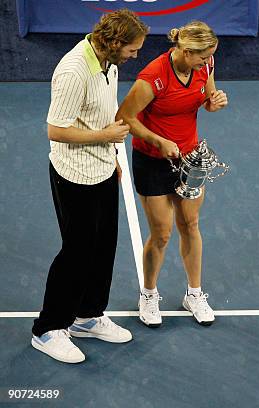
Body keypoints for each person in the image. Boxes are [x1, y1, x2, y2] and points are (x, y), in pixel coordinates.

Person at [31, 9, 149, 364]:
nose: (135, 55)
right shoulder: (73, 70)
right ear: (114, 43)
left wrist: (111, 155)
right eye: (133, 49)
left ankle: (87, 316)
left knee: (103, 248)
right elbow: (55, 129)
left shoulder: (109, 63)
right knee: (76, 253)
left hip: (100, 169)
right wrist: (104, 137)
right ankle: (48, 329)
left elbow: (99, 112)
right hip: (73, 176)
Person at [116, 21, 228, 328]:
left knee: (190, 224)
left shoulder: (206, 66)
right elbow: (124, 117)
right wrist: (158, 141)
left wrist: (214, 102)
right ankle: (149, 294)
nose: (208, 63)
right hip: (151, 160)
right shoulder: (153, 77)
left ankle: (194, 293)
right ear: (188, 52)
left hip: (190, 158)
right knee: (162, 233)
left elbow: (206, 98)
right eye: (203, 58)